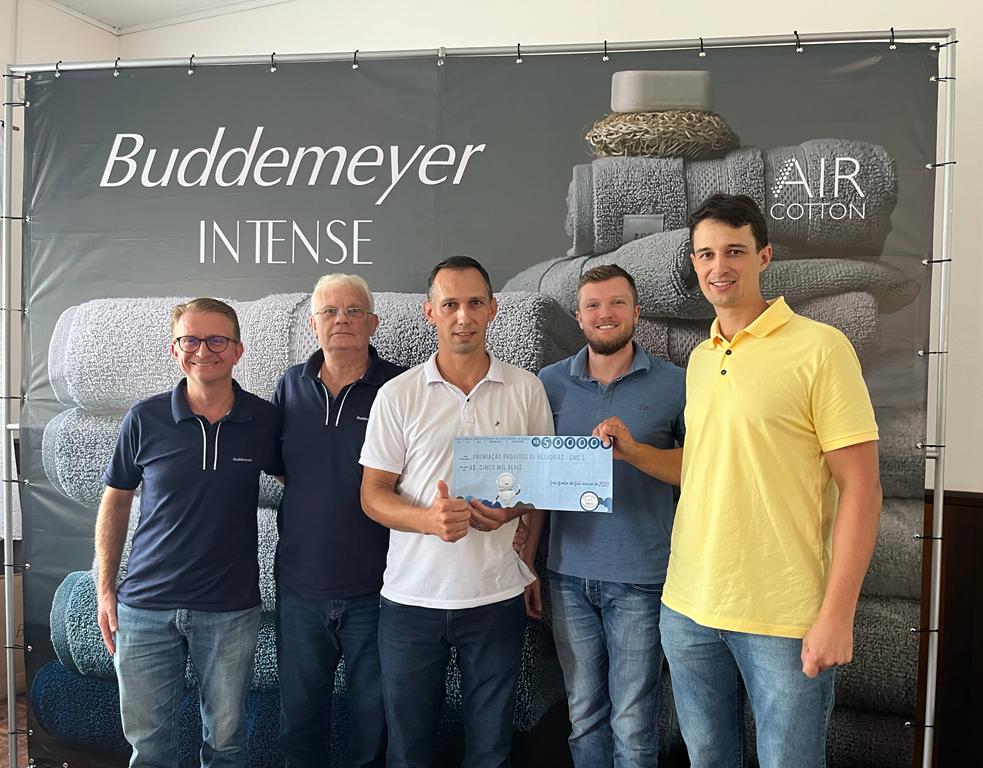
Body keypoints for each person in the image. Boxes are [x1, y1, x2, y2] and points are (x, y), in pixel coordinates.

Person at [660, 194, 882, 768]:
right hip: (688, 605)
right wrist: (633, 454)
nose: (719, 266)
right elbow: (707, 465)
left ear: (764, 257)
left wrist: (837, 614)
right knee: (707, 759)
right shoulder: (701, 358)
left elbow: (862, 488)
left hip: (784, 615)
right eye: (706, 254)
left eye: (734, 251)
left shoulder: (821, 349)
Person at [359, 255, 554, 768]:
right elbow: (372, 494)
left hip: (495, 597)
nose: (463, 316)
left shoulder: (527, 388)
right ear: (430, 313)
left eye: (474, 303)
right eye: (450, 305)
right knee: (408, 750)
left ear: (493, 309)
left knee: (491, 749)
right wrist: (428, 520)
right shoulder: (397, 395)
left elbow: (543, 484)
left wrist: (513, 522)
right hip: (410, 600)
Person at [94, 298, 281, 768]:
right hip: (145, 607)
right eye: (191, 340)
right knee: (149, 749)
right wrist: (105, 589)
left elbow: (305, 483)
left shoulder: (264, 420)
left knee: (226, 746)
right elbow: (115, 501)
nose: (204, 350)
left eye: (217, 340)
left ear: (237, 350)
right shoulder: (145, 418)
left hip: (230, 609)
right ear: (174, 350)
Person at [538, 263, 685, 768]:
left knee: (633, 722)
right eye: (594, 305)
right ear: (579, 317)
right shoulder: (548, 383)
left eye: (617, 303)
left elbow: (698, 468)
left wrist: (635, 452)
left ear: (637, 312)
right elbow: (536, 477)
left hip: (642, 576)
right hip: (566, 575)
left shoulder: (676, 383)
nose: (606, 313)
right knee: (583, 717)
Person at [272, 274, 404, 767]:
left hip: (379, 586)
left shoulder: (400, 386)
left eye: (353, 311)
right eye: (329, 311)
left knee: (374, 722)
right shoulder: (290, 385)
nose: (341, 320)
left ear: (373, 322)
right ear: (313, 325)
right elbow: (281, 467)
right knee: (299, 722)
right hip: (300, 587)